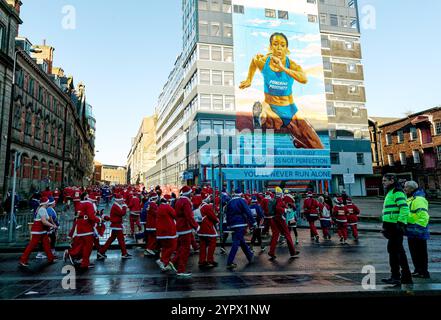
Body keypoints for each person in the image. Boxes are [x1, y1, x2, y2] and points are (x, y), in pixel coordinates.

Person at [239, 32, 324, 149]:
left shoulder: (291, 65)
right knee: (272, 121)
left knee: (317, 145)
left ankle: (299, 140)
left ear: (286, 49)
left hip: (289, 108)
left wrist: (283, 68)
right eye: (275, 44)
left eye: (282, 45)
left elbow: (304, 79)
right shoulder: (264, 62)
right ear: (270, 47)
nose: (279, 48)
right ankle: (259, 120)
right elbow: (254, 61)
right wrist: (249, 79)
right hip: (271, 106)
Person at [381, 174, 412, 286]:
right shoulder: (390, 192)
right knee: (397, 251)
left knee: (395, 251)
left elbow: (404, 208)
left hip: (395, 226)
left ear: (392, 180)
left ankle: (397, 277)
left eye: (385, 180)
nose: (383, 182)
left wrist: (400, 223)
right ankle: (403, 276)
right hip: (391, 225)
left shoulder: (397, 192)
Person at [65, 192, 104, 270]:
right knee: (88, 246)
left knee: (81, 245)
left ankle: (73, 255)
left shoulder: (79, 204)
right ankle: (84, 262)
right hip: (87, 226)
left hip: (79, 226)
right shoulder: (88, 204)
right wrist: (99, 219)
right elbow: (91, 216)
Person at [19, 197, 57, 267]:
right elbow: (44, 221)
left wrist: (52, 224)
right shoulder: (42, 209)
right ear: (45, 203)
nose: (49, 203)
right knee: (32, 245)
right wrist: (52, 225)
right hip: (38, 230)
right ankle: (23, 260)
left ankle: (51, 258)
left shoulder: (43, 209)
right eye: (48, 202)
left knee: (47, 244)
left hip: (41, 230)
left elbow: (48, 218)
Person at [171, 186, 199, 278]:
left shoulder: (178, 201)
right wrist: (196, 226)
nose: (192, 194)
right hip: (185, 228)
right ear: (188, 193)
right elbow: (189, 216)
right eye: (191, 192)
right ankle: (181, 270)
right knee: (185, 250)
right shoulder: (186, 201)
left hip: (179, 226)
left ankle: (171, 263)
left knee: (180, 248)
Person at [404, 181, 430, 279]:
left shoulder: (418, 199)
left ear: (411, 188)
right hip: (412, 230)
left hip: (417, 230)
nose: (404, 189)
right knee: (414, 252)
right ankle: (418, 270)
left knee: (421, 253)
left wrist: (418, 228)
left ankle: (423, 272)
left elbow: (424, 216)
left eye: (406, 187)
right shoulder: (411, 198)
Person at [225, 189, 256, 269]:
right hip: (240, 223)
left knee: (241, 241)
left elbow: (227, 214)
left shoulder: (230, 202)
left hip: (232, 224)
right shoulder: (241, 201)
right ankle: (230, 261)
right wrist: (253, 222)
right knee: (236, 242)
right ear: (241, 194)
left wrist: (228, 224)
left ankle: (249, 256)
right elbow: (248, 211)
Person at [267, 187, 299, 261]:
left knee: (275, 235)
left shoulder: (274, 199)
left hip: (273, 218)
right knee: (287, 234)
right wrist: (286, 209)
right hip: (280, 218)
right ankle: (292, 252)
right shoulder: (280, 200)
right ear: (281, 193)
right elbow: (279, 208)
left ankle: (271, 252)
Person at [97, 194, 131, 260]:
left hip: (116, 225)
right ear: (118, 200)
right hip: (116, 225)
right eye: (121, 200)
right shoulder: (116, 206)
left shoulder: (116, 205)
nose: (122, 201)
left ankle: (101, 252)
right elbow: (122, 213)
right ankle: (124, 253)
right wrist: (124, 206)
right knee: (120, 240)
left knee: (112, 239)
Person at [155, 197, 178, 273]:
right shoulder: (167, 207)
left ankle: (164, 261)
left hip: (160, 231)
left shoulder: (159, 208)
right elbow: (175, 214)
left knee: (165, 247)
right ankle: (163, 261)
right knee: (173, 246)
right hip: (169, 230)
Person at [197, 195, 219, 268]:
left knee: (202, 245)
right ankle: (210, 260)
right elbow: (212, 216)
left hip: (201, 228)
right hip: (208, 228)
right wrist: (217, 220)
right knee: (212, 243)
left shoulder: (199, 206)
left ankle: (202, 260)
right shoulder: (206, 206)